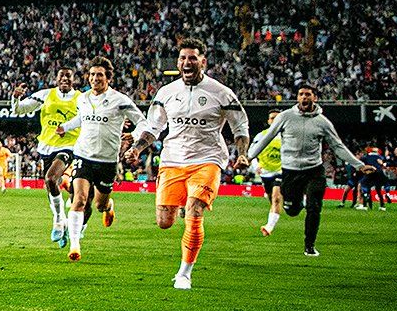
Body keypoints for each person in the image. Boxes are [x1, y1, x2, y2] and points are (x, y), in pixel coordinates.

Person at [126, 38, 249, 290]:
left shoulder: (221, 93)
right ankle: (183, 201)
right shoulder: (166, 92)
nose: (187, 62)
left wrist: (243, 154)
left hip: (207, 159)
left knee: (194, 211)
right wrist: (137, 148)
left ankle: (184, 273)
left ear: (203, 61)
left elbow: (240, 127)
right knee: (164, 221)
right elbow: (154, 128)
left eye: (192, 58)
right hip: (172, 160)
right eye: (183, 58)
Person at [245, 84, 372, 256]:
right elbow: (266, 138)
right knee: (292, 210)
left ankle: (309, 245)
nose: (304, 97)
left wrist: (359, 165)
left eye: (308, 94)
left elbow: (338, 146)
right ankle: (297, 204)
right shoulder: (285, 117)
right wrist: (249, 158)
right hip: (290, 171)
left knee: (314, 207)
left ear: (315, 98)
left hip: (314, 170)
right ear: (297, 97)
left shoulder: (322, 122)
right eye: (301, 94)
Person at [54, 57, 145, 261]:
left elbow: (142, 122)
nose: (95, 78)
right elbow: (81, 118)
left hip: (107, 161)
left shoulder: (120, 100)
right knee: (79, 200)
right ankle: (75, 245)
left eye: (100, 75)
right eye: (93, 74)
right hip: (83, 156)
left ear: (108, 78)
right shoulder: (83, 98)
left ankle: (108, 206)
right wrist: (65, 127)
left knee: (99, 205)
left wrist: (134, 135)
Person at [12, 67, 81, 247]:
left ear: (74, 79)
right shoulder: (45, 95)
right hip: (46, 147)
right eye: (61, 75)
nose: (65, 78)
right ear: (56, 79)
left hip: (68, 146)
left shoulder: (81, 99)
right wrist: (16, 97)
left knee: (51, 178)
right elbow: (18, 109)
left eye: (68, 76)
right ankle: (63, 222)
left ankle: (58, 219)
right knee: (50, 186)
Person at [254, 109, 285, 236]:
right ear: (268, 121)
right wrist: (256, 166)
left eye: (277, 118)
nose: (275, 120)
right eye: (272, 118)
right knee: (272, 199)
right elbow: (252, 152)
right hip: (266, 172)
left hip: (282, 171)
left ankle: (269, 227)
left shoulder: (288, 137)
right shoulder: (261, 136)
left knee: (276, 197)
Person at [360, 146, 390, 210]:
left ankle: (365, 204)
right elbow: (383, 162)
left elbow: (362, 163)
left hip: (370, 173)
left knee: (364, 184)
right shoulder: (379, 156)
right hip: (379, 173)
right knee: (378, 189)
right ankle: (382, 205)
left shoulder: (366, 157)